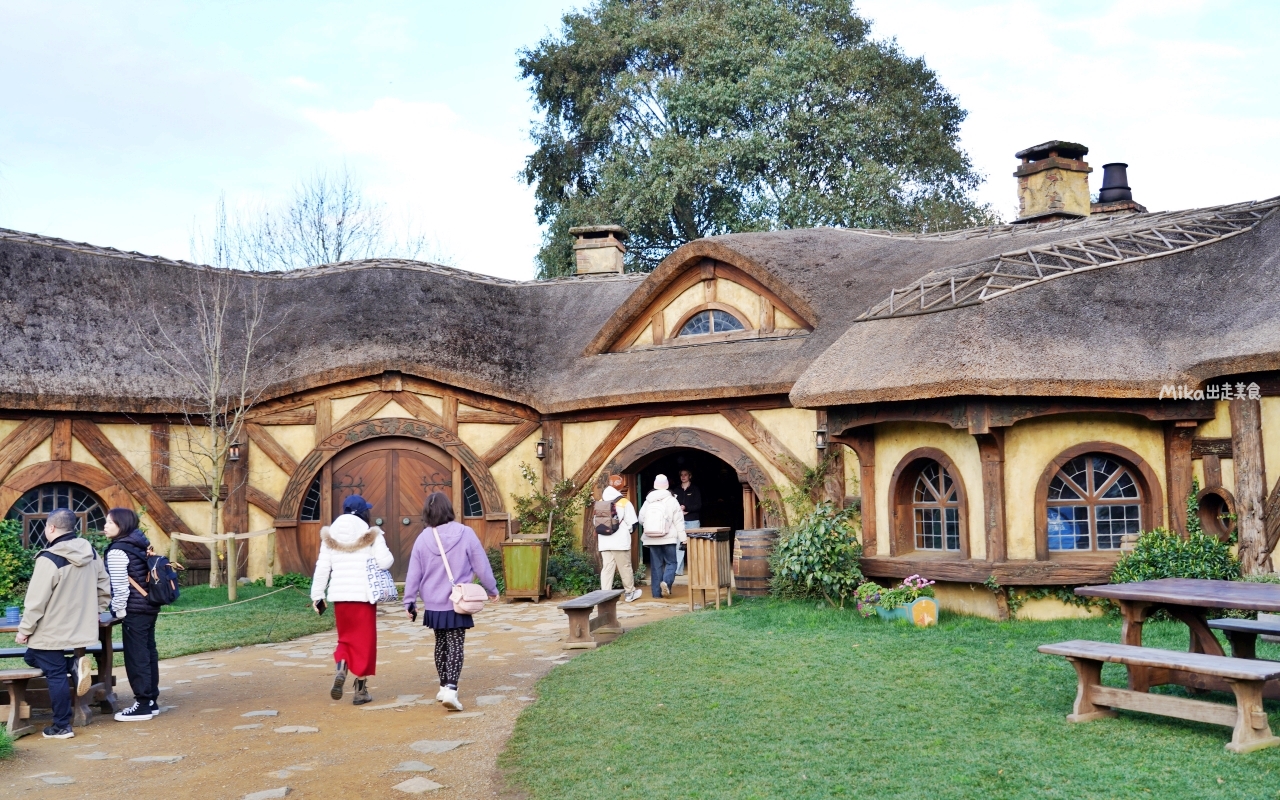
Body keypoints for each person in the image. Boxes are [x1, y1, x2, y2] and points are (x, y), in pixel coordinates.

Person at [15, 508, 110, 739]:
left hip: (51, 628)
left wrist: (25, 630)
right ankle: (74, 666)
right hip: (82, 626)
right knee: (33, 657)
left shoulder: (49, 558)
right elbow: (104, 587)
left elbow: (36, 601)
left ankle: (61, 726)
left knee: (51, 671)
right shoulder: (92, 554)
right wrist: (96, 611)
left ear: (51, 528)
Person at [402, 491, 499, 712]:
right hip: (458, 601)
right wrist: (492, 589)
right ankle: (452, 690)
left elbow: (413, 574)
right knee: (456, 644)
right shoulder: (466, 533)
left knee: (441, 644)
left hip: (434, 604)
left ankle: (443, 685)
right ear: (449, 510)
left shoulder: (423, 538)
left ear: (427, 513)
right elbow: (481, 565)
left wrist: (409, 601)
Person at [310, 494, 394, 706]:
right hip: (364, 596)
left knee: (345, 638)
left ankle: (341, 666)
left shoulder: (329, 536)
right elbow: (385, 562)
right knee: (364, 643)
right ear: (364, 512)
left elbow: (322, 568)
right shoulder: (372, 534)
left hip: (340, 596)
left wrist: (317, 596)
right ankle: (360, 691)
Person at [103, 508, 161, 722]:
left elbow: (120, 587)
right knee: (147, 653)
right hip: (149, 605)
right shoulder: (140, 543)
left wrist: (118, 612)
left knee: (137, 656)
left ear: (122, 525)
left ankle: (143, 705)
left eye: (110, 522)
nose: (105, 526)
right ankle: (151, 700)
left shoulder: (118, 550)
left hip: (134, 609)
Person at [638, 475, 686, 598]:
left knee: (656, 566)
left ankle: (656, 594)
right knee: (671, 563)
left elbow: (641, 518)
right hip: (668, 537)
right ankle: (666, 582)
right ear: (667, 485)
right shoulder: (672, 500)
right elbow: (679, 521)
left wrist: (652, 525)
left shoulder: (648, 500)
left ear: (654, 484)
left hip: (652, 537)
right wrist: (683, 539)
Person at [597, 484, 642, 603]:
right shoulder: (624, 502)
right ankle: (629, 592)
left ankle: (604, 595)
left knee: (607, 568)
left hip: (604, 541)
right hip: (620, 541)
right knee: (625, 567)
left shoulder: (600, 502)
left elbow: (595, 522)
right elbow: (633, 523)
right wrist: (626, 531)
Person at [672, 469, 703, 576]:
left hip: (693, 520)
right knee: (678, 545)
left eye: (685, 475)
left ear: (690, 476)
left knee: (695, 545)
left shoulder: (695, 489)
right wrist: (679, 511)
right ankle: (678, 571)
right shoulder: (676, 490)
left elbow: (699, 505)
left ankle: (697, 570)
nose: (683, 477)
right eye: (681, 475)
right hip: (679, 522)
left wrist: (687, 508)